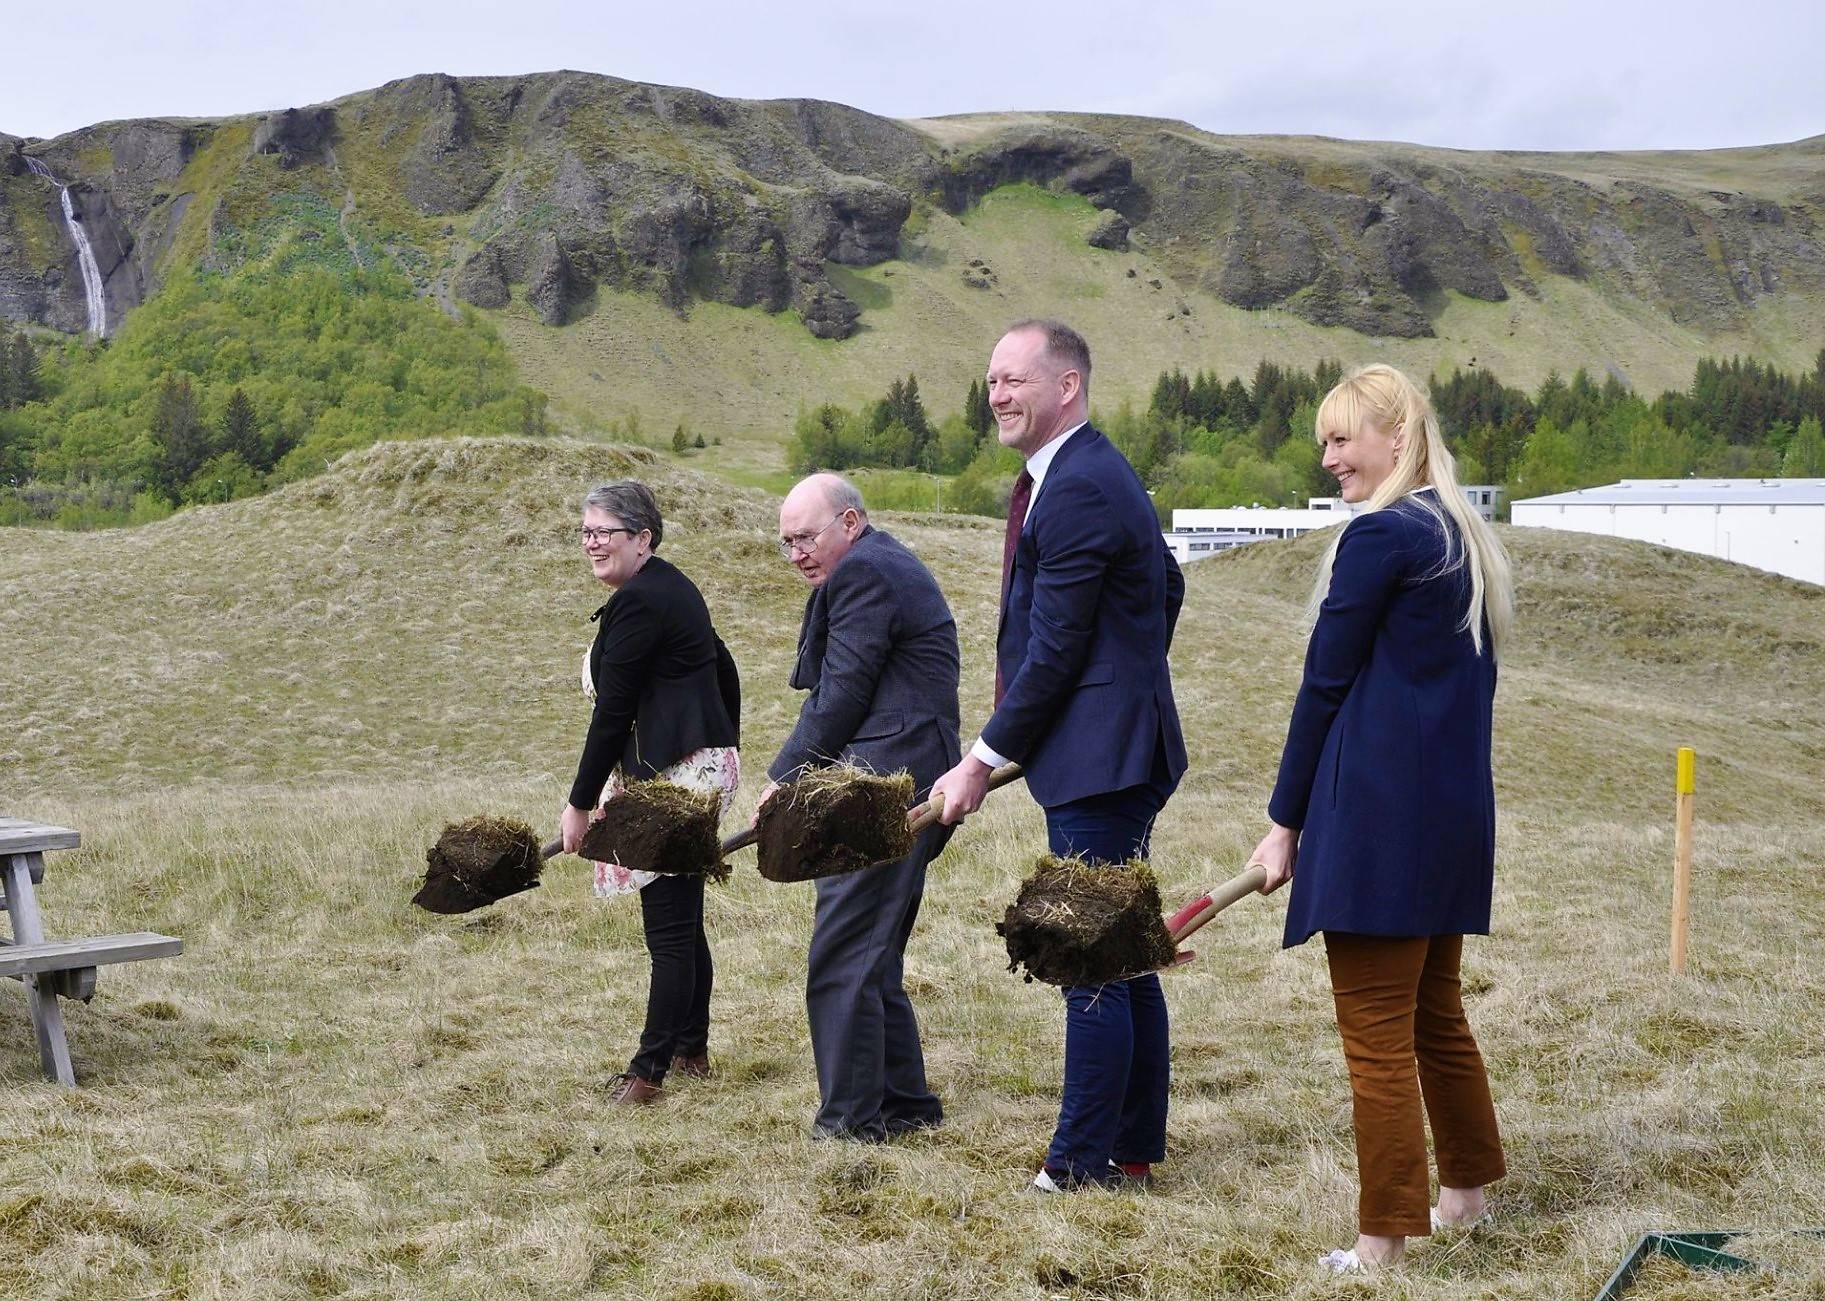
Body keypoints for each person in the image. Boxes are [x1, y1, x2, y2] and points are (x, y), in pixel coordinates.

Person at [1247, 363, 1514, 1271]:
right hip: (1448, 824)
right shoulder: (1459, 534)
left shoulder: (1382, 537)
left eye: (1341, 438)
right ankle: (1465, 1192)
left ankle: (1380, 1243)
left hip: (1377, 825)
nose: (1327, 458)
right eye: (1323, 440)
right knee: (1434, 1010)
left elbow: (1322, 686)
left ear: (1395, 439)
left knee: (1374, 1033)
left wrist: (1283, 821)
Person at [929, 319, 1187, 1192]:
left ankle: (1077, 1163)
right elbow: (1164, 583)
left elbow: (1056, 646)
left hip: (1104, 759)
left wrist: (979, 757)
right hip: (1106, 744)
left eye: (1013, 379)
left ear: (1066, 385)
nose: (995, 394)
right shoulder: (1082, 474)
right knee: (1122, 948)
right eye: (991, 379)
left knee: (1089, 955)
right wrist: (1131, 671)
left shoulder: (1077, 484)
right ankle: (1131, 1149)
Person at [759, 473, 961, 1142]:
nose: (797, 554)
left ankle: (848, 1123)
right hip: (899, 770)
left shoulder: (867, 573)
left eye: (807, 537)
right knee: (870, 952)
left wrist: (786, 777)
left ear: (849, 522)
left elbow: (841, 691)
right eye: (786, 542)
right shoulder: (873, 565)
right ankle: (903, 1102)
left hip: (891, 782)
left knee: (844, 949)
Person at [560, 480, 742, 1107]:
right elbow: (724, 667)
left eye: (603, 532)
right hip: (690, 765)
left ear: (643, 538)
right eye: (585, 532)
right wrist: (723, 744)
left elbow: (612, 713)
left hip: (677, 776)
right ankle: (690, 1048)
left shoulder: (642, 600)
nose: (591, 543)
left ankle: (649, 1073)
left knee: (667, 929)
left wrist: (581, 803)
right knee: (683, 922)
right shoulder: (665, 586)